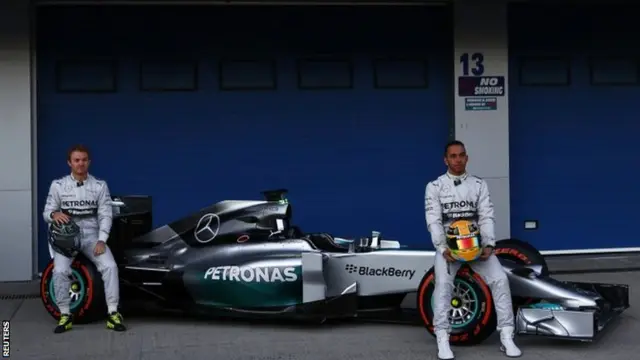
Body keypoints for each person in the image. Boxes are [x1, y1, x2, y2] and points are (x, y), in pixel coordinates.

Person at [425, 140, 521, 359]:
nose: (457, 160)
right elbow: (433, 220)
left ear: (467, 158)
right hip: (450, 249)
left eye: (461, 155)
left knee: (500, 280)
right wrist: (441, 248)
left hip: (477, 247)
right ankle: (442, 338)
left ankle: (506, 336)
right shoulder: (435, 186)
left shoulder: (479, 185)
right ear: (445, 159)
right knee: (443, 285)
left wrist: (489, 244)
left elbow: (486, 215)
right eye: (453, 156)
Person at [43, 144, 126, 333]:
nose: (80, 163)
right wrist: (54, 215)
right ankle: (65, 314)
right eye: (76, 160)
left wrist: (102, 240)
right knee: (60, 270)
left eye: (84, 160)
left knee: (110, 267)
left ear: (89, 162)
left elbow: (105, 215)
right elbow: (47, 212)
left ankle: (113, 313)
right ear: (69, 163)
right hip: (66, 237)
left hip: (91, 235)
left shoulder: (99, 185)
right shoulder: (58, 185)